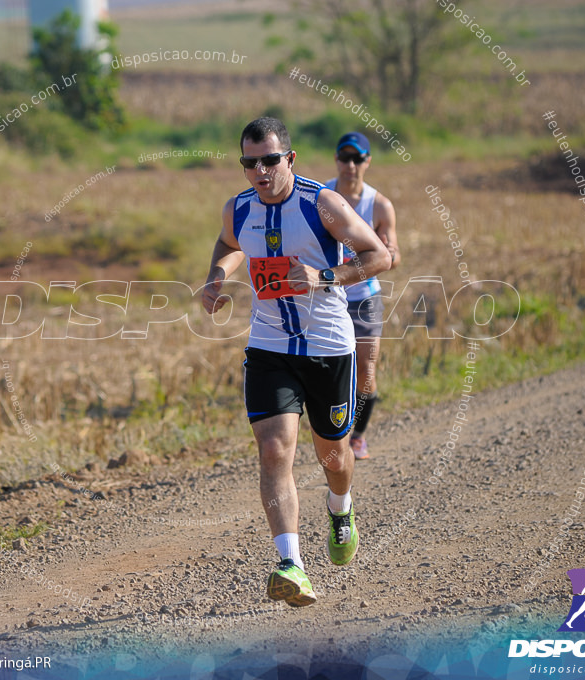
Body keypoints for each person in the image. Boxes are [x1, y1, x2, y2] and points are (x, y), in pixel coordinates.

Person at [201, 117, 391, 607]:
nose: (259, 171)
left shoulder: (321, 204)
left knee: (333, 458)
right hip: (269, 346)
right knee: (273, 450)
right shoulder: (239, 208)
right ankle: (291, 564)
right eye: (249, 162)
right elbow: (228, 244)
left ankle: (341, 509)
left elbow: (379, 256)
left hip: (328, 347)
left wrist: (323, 274)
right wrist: (216, 277)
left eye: (269, 160)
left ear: (289, 159)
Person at [326, 132, 400, 460]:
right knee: (329, 370)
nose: (350, 165)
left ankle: (357, 436)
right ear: (336, 160)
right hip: (329, 295)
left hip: (365, 298)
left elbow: (392, 255)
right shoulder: (322, 197)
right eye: (345, 158)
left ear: (368, 161)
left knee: (366, 371)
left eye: (358, 159)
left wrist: (390, 253)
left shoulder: (380, 205)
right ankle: (331, 434)